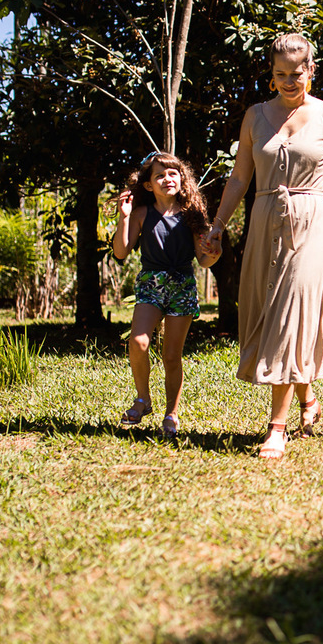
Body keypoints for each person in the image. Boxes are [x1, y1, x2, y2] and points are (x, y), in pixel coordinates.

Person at [206, 33, 323, 459]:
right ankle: (308, 399)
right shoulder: (254, 116)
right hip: (265, 220)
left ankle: (276, 428)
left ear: (311, 70)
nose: (289, 81)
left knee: (292, 313)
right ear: (271, 75)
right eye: (280, 73)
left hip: (312, 223)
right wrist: (217, 226)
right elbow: (240, 177)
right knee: (272, 314)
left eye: (297, 73)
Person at [112, 151, 221, 438]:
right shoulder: (141, 214)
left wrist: (215, 251)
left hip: (182, 285)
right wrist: (124, 217)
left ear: (182, 179)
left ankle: (171, 413)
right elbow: (121, 252)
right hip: (151, 282)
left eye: (173, 173)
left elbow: (204, 260)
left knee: (171, 355)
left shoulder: (192, 215)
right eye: (159, 175)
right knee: (138, 341)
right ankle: (143, 399)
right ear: (148, 185)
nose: (167, 178)